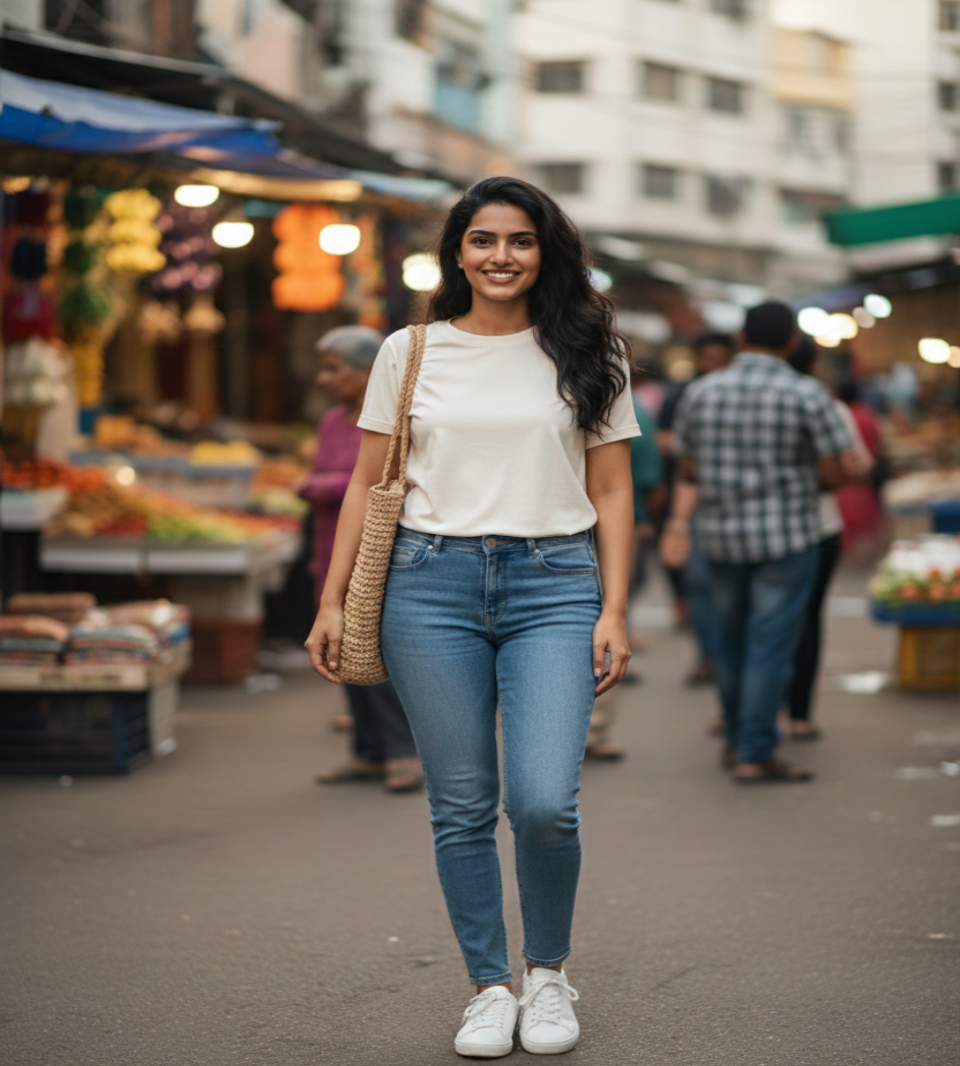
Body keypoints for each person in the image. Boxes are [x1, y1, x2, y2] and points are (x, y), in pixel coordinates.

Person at [305, 176, 639, 1057]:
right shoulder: (408, 351)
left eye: (520, 241)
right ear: (457, 251)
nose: (502, 256)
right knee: (460, 804)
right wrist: (333, 600)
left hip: (554, 583)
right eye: (484, 240)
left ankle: (549, 974)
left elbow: (611, 487)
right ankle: (489, 985)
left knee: (542, 802)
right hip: (427, 583)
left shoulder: (588, 349)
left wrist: (616, 607)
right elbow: (366, 484)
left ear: (545, 251)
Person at [662, 302, 851, 783]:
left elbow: (687, 468)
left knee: (727, 643)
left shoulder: (702, 392)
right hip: (788, 539)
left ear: (742, 339)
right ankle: (755, 750)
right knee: (769, 645)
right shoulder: (808, 393)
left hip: (721, 537)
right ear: (791, 342)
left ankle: (736, 741)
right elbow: (834, 473)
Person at [296, 326, 422, 793]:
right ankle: (368, 753)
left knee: (378, 649)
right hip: (331, 547)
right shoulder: (331, 420)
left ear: (370, 371)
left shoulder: (393, 416)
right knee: (340, 648)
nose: (323, 378)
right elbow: (328, 474)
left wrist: (316, 487)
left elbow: (373, 479)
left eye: (335, 368)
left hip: (380, 552)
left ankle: (403, 751)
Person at [784, 341, 873, 739]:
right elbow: (856, 465)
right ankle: (799, 714)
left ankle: (745, 719)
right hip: (817, 528)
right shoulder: (826, 404)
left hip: (741, 531)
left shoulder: (719, 394)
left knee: (754, 625)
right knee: (807, 620)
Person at [657, 332, 735, 685]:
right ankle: (710, 655)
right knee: (700, 585)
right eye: (708, 358)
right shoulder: (683, 395)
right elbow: (667, 445)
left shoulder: (740, 395)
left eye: (720, 358)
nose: (713, 365)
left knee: (732, 592)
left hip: (736, 507)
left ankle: (729, 661)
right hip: (695, 504)